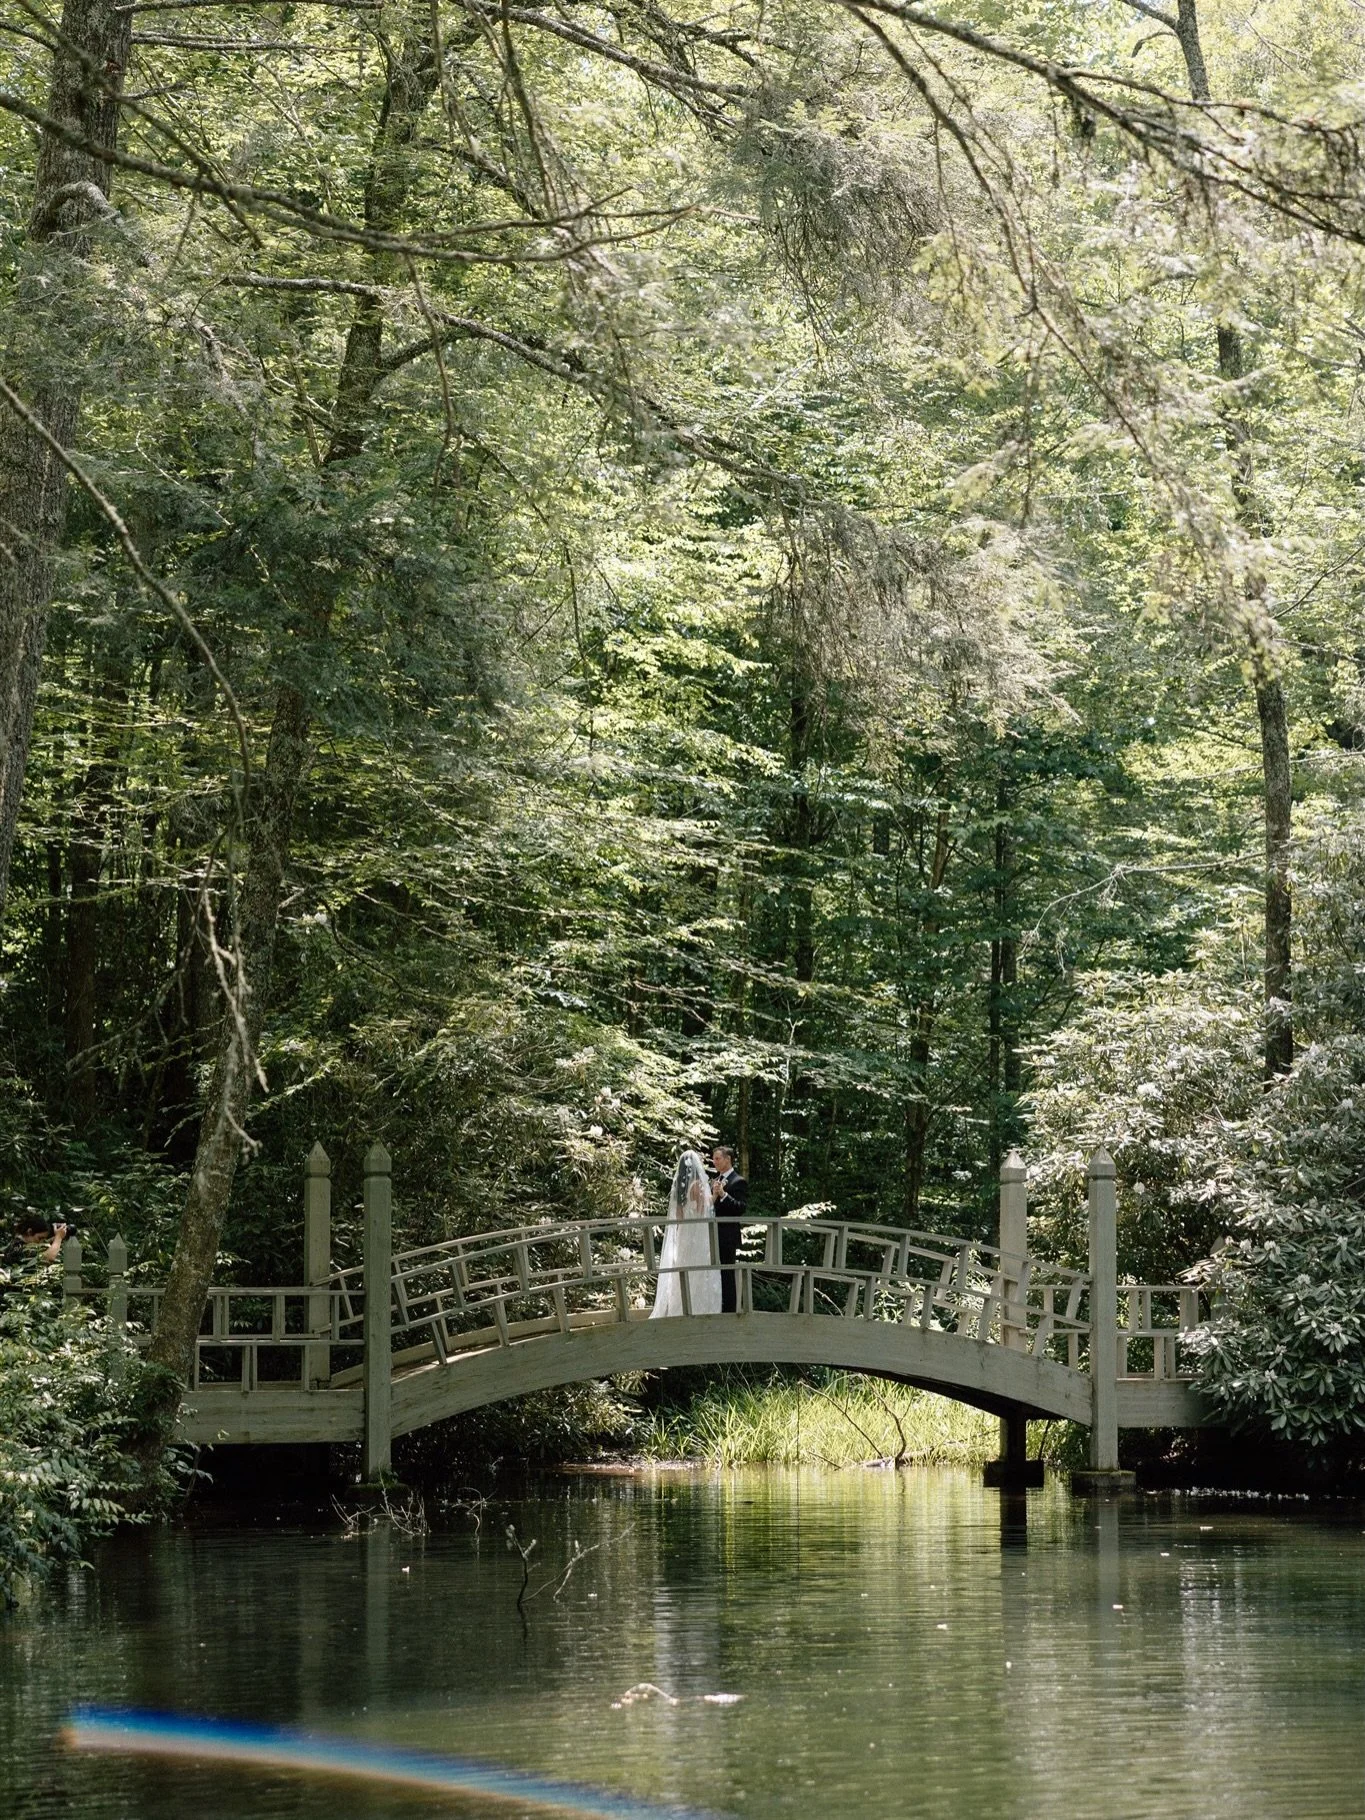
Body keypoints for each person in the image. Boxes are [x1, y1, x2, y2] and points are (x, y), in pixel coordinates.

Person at [651, 1151, 721, 1317]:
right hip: (697, 1236)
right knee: (697, 1272)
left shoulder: (679, 1189)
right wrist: (716, 1194)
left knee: (683, 1272)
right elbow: (703, 1208)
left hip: (684, 1235)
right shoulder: (697, 1185)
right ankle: (697, 1308)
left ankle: (679, 1308)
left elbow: (680, 1215)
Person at [710, 1146, 748, 1314]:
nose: (714, 1162)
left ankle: (730, 1311)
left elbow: (740, 1208)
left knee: (727, 1274)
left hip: (727, 1235)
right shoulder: (715, 1179)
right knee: (714, 1274)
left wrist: (724, 1195)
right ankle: (717, 1306)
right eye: (714, 1159)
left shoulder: (738, 1181)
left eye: (717, 1158)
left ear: (727, 1159)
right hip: (712, 1234)